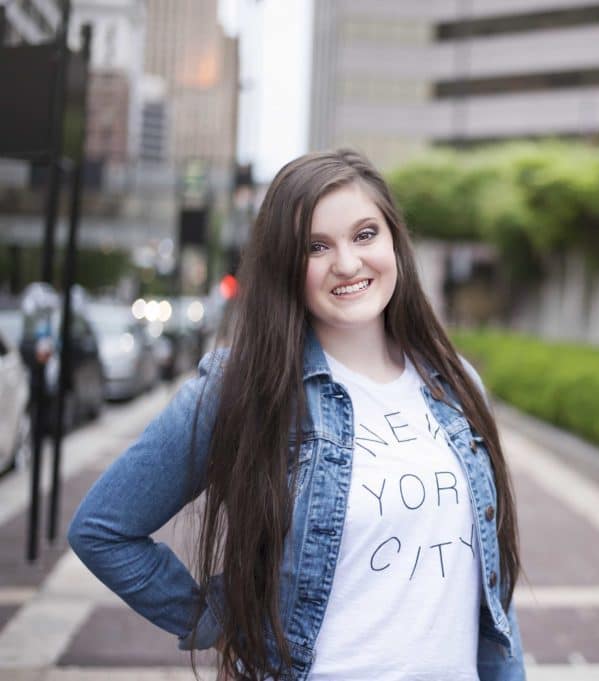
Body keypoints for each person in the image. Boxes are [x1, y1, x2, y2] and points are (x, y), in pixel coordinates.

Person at [68, 149, 524, 681]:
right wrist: (220, 619)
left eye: (365, 234)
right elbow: (102, 529)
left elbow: (493, 588)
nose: (348, 264)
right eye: (317, 246)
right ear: (287, 263)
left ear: (395, 241)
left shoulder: (456, 384)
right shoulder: (245, 386)